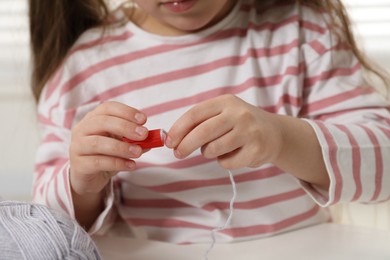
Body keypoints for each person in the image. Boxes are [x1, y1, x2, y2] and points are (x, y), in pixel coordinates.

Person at [29, 0, 390, 246]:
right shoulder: (82, 69)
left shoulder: (301, 30)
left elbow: (384, 164)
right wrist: (82, 183)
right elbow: (45, 227)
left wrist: (282, 137)